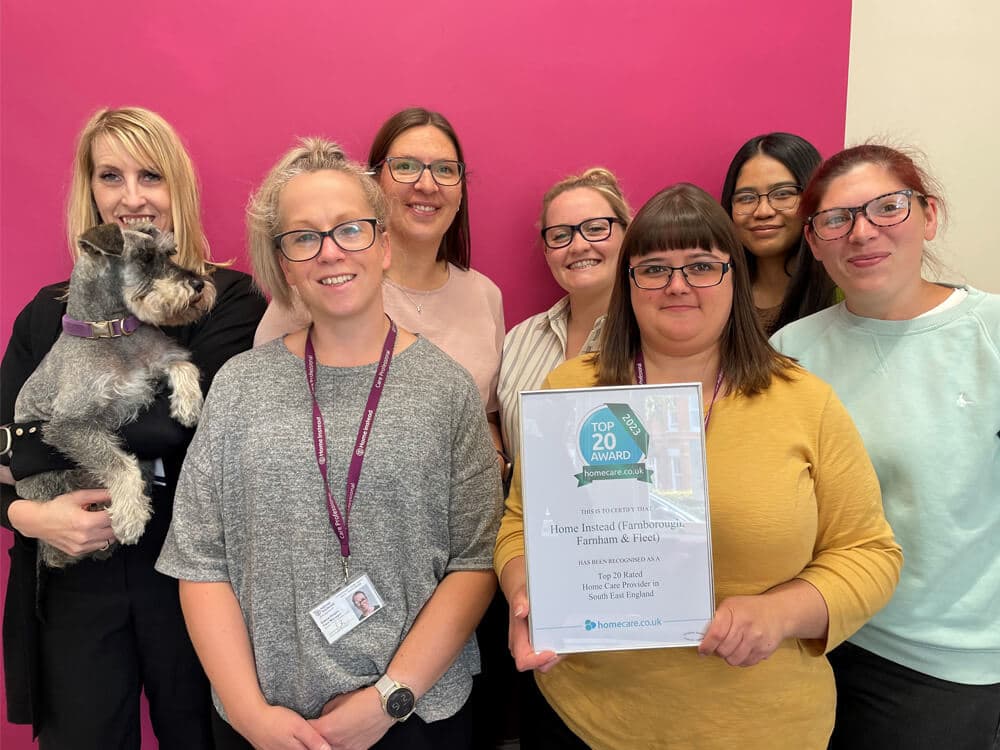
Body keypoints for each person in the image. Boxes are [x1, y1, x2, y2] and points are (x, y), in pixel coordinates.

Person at [494, 183, 903, 749]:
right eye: (654, 269)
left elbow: (870, 553)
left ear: (734, 276)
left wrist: (783, 613)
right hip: (583, 717)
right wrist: (525, 595)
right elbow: (520, 524)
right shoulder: (571, 390)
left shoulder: (805, 400)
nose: (678, 284)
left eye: (702, 266)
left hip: (759, 727)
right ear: (628, 283)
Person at [156, 138, 502, 750]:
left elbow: (474, 562)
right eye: (304, 237)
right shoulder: (238, 387)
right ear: (284, 264)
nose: (330, 251)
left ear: (384, 245)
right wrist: (250, 715)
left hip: (415, 718)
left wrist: (390, 698)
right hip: (264, 725)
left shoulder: (447, 389)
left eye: (350, 229)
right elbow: (201, 562)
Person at [0, 106, 265, 748]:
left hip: (193, 573)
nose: (131, 198)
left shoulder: (227, 299)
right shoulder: (45, 314)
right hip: (69, 569)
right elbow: (3, 453)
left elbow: (172, 430)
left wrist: (38, 443)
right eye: (110, 176)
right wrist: (29, 516)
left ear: (179, 187)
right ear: (89, 190)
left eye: (151, 176)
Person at [771, 144, 1000, 750]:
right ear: (814, 242)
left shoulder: (990, 334)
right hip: (812, 636)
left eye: (887, 208)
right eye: (836, 220)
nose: (862, 232)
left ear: (929, 215)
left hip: (940, 663)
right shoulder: (791, 351)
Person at [254, 108, 504, 438]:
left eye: (445, 169)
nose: (427, 185)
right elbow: (264, 402)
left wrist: (494, 455)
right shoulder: (324, 286)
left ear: (460, 192)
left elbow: (486, 417)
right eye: (406, 166)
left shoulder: (485, 296)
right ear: (374, 183)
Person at [498, 167, 631, 460]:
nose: (579, 246)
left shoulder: (656, 338)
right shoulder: (518, 341)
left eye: (596, 229)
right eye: (560, 235)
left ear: (628, 236)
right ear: (547, 253)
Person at [720, 133, 836, 334]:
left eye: (782, 194)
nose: (763, 211)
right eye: (746, 198)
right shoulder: (718, 293)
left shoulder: (841, 293)